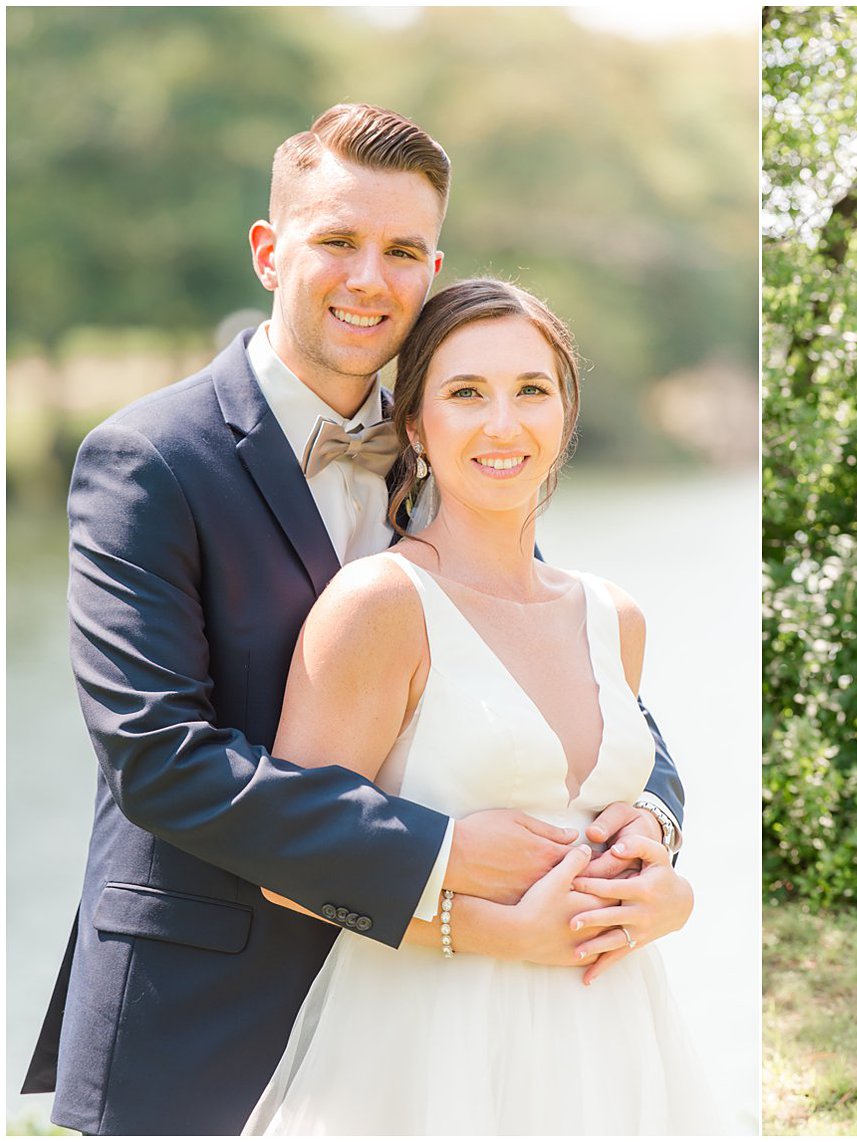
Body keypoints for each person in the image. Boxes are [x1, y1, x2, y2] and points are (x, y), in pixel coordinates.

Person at [24, 104, 685, 1136]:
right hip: (207, 1003)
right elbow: (156, 756)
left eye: (402, 250)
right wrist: (442, 854)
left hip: (427, 1024)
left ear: (432, 266)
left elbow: (567, 674)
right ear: (268, 248)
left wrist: (651, 825)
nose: (369, 277)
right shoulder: (148, 460)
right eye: (337, 240)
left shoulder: (447, 442)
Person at [242, 276, 718, 1134]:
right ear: (416, 426)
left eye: (532, 391)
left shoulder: (616, 617)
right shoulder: (378, 606)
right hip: (427, 1045)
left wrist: (663, 890)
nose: (504, 424)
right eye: (466, 394)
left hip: (611, 1036)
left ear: (566, 414)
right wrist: (482, 929)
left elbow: (625, 815)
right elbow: (290, 865)